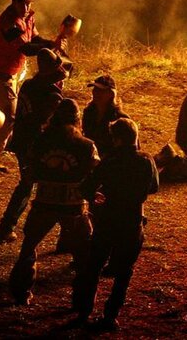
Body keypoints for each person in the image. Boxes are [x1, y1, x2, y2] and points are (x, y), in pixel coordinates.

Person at [72, 119, 159, 331]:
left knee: (94, 265)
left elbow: (86, 187)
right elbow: (154, 187)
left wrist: (97, 197)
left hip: (108, 219)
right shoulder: (146, 160)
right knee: (124, 271)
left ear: (116, 139)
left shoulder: (110, 161)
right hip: (132, 220)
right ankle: (110, 316)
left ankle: (85, 310)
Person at [9, 99, 99, 305]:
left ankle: (21, 292)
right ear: (77, 120)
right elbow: (96, 172)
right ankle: (83, 301)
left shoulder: (41, 141)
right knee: (84, 255)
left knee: (29, 247)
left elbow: (30, 173)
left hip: (44, 203)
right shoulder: (87, 146)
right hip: (74, 207)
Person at [0, 49, 67, 244]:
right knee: (33, 186)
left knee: (28, 185)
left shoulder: (28, 85)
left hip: (21, 141)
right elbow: (49, 123)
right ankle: (8, 227)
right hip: (36, 146)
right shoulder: (52, 94)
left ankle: (8, 228)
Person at [0, 0, 55, 172]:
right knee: (9, 116)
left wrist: (51, 43)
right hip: (1, 72)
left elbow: (35, 38)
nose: (25, 7)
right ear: (13, 3)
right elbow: (26, 48)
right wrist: (49, 49)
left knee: (0, 111)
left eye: (28, 3)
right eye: (21, 3)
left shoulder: (28, 17)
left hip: (11, 71)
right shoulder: (8, 22)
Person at [82, 75, 130, 158]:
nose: (96, 92)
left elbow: (129, 148)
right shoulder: (88, 113)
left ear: (111, 94)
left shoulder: (120, 118)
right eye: (95, 89)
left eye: (101, 90)